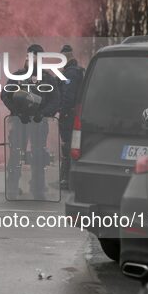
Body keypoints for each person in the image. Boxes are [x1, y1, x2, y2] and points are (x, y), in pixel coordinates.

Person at [1, 44, 60, 200]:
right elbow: (5, 95)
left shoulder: (48, 78)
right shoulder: (18, 76)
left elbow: (56, 100)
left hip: (39, 122)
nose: (31, 60)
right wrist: (18, 112)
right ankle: (12, 187)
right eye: (29, 56)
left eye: (35, 57)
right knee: (16, 153)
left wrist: (43, 113)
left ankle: (38, 187)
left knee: (39, 154)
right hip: (19, 122)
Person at [58, 44, 85, 190]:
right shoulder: (78, 71)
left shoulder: (70, 73)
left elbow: (67, 96)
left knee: (67, 146)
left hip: (70, 115)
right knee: (71, 146)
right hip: (76, 114)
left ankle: (66, 178)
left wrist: (62, 112)